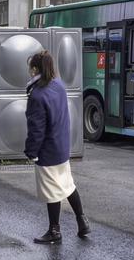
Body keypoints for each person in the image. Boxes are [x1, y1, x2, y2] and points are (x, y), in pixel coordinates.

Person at [24, 50, 91, 244]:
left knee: (52, 190)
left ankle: (54, 231)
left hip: (48, 151)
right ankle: (82, 221)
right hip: (62, 147)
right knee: (67, 185)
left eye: (30, 67)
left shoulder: (37, 94)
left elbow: (37, 128)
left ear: (35, 69)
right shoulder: (59, 85)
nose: (29, 71)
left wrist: (31, 152)